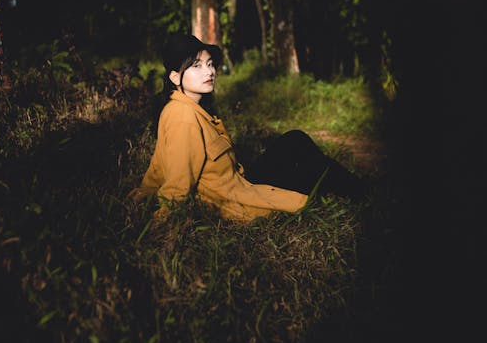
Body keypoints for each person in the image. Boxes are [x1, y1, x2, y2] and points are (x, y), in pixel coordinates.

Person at [129, 33, 365, 222]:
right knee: (305, 166)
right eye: (197, 66)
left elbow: (160, 164)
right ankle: (362, 194)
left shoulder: (181, 108)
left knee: (295, 141)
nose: (209, 72)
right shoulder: (184, 117)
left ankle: (357, 190)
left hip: (240, 181)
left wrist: (142, 194)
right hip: (233, 200)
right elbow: (178, 183)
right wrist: (161, 222)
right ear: (174, 76)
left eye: (210, 64)